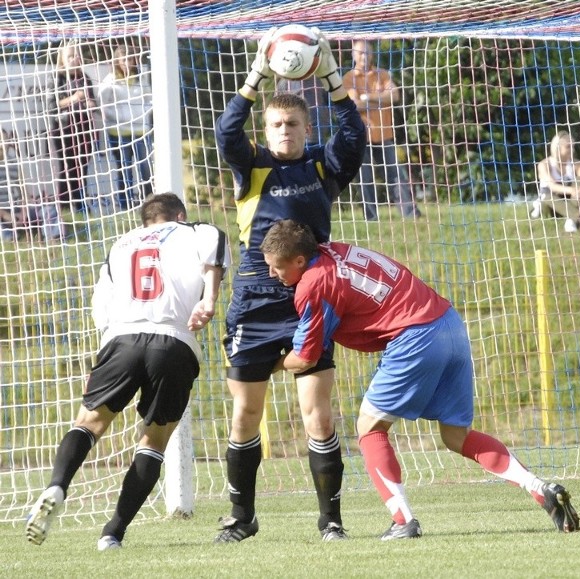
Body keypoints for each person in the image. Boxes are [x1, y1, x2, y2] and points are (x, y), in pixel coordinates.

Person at [261, 219, 580, 539]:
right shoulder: (337, 251)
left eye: (277, 267)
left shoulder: (313, 282)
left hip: (415, 336)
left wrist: (268, 364)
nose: (273, 274)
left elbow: (306, 357)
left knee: (370, 429)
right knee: (456, 436)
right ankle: (540, 488)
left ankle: (403, 521)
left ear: (300, 261)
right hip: (450, 325)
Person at [213, 27, 366, 543]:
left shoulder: (323, 162)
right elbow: (227, 131)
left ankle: (331, 521)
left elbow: (354, 133)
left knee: (317, 416)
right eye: (276, 124)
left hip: (311, 296)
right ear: (268, 126)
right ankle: (241, 518)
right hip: (255, 297)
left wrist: (329, 75)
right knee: (245, 414)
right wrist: (257, 70)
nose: (284, 131)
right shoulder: (250, 162)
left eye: (292, 123)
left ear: (305, 126)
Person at [24, 192, 230, 550]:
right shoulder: (196, 231)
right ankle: (113, 533)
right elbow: (215, 243)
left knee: (88, 423)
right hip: (175, 341)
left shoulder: (122, 244)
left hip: (120, 339)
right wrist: (209, 299)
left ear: (146, 222)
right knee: (154, 440)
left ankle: (57, 483)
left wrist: (110, 352)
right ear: (179, 216)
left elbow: (100, 305)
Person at [342, 40, 421, 221]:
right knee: (366, 178)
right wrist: (379, 101)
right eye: (361, 53)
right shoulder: (348, 78)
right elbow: (354, 105)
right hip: (361, 137)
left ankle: (409, 213)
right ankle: (371, 217)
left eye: (368, 52)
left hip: (384, 134)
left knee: (396, 176)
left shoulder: (382, 74)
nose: (364, 56)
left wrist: (368, 97)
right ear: (353, 55)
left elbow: (394, 96)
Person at [99, 43, 154, 211]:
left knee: (145, 168)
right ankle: (125, 205)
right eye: (123, 60)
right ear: (117, 61)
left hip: (141, 131)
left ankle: (150, 203)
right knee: (124, 169)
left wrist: (142, 114)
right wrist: (119, 117)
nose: (127, 63)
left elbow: (149, 100)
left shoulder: (141, 78)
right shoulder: (109, 81)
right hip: (119, 132)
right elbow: (103, 106)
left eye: (130, 59)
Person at [47, 41, 98, 214]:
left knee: (82, 166)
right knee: (68, 166)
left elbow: (91, 99)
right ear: (62, 58)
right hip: (64, 129)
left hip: (84, 127)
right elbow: (51, 106)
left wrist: (90, 103)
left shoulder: (84, 77)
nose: (74, 58)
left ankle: (80, 204)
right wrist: (74, 98)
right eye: (70, 56)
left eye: (76, 55)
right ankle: (64, 205)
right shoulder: (56, 77)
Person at [533, 130, 580, 233]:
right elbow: (552, 186)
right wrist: (572, 190)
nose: (572, 150)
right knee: (546, 195)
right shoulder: (544, 164)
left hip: (571, 202)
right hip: (551, 204)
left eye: (572, 146)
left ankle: (571, 219)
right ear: (557, 148)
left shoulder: (576, 164)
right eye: (568, 147)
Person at [276, 77, 331, 146]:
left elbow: (331, 103)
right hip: (295, 138)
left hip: (319, 134)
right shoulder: (285, 82)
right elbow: (277, 110)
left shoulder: (320, 79)